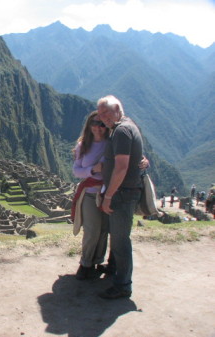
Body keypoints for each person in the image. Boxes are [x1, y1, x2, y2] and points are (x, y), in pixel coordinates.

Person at [97, 95, 144, 300]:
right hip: (124, 192)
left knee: (120, 240)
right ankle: (115, 269)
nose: (103, 117)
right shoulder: (125, 127)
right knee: (117, 236)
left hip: (122, 194)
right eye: (100, 114)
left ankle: (123, 285)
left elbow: (122, 167)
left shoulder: (122, 131)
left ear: (117, 108)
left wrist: (108, 195)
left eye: (106, 112)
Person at [71, 111, 110, 280]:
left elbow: (128, 157)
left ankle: (98, 261)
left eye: (102, 124)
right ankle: (85, 263)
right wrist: (93, 170)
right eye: (94, 123)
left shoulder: (112, 143)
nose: (98, 127)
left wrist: (144, 161)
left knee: (103, 231)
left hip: (109, 193)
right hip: (90, 193)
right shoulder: (83, 145)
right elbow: (76, 170)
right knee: (92, 231)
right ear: (89, 125)